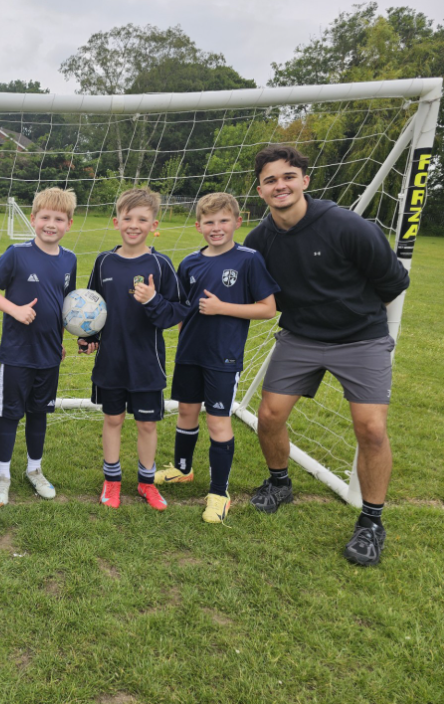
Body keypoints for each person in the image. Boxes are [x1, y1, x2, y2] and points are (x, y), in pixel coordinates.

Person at [242, 145, 410, 566]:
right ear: (260, 190)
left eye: (288, 176)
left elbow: (393, 282)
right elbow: (257, 295)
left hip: (361, 338)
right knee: (269, 416)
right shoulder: (259, 241)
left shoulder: (347, 226)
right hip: (300, 337)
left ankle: (371, 522)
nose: (280, 185)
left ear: (305, 180)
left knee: (371, 429)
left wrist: (354, 316)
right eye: (270, 180)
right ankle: (279, 483)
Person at [154, 192, 279, 522]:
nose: (217, 227)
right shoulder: (190, 263)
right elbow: (183, 307)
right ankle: (182, 469)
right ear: (198, 226)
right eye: (209, 222)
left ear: (238, 222)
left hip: (223, 356)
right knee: (186, 411)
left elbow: (268, 308)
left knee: (217, 420)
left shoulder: (249, 259)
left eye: (224, 220)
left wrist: (222, 308)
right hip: (189, 352)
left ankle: (219, 493)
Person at [79, 188, 186, 512]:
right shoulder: (104, 262)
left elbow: (177, 312)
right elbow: (92, 307)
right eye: (128, 218)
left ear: (154, 225)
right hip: (111, 361)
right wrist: (88, 336)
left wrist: (153, 301)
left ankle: (146, 482)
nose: (134, 225)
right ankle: (111, 481)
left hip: (146, 363)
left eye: (142, 219)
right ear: (116, 222)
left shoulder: (160, 264)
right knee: (112, 419)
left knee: (147, 424)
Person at [0, 187, 78, 506]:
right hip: (17, 352)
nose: (51, 224)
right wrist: (15, 310)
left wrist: (61, 341)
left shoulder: (70, 260)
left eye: (59, 219)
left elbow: (65, 305)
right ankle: (2, 475)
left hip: (49, 354)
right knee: (10, 415)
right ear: (33, 218)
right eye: (45, 217)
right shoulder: (16, 254)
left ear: (69, 224)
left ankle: (34, 470)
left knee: (39, 414)